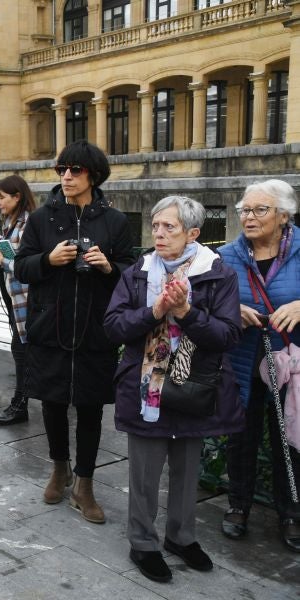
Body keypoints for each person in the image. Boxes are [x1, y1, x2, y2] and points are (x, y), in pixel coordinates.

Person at [104, 195, 243, 582]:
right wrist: (155, 312)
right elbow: (113, 326)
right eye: (155, 225)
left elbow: (228, 335)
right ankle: (143, 542)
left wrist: (186, 313)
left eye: (169, 227)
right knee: (144, 474)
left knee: (186, 469)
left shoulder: (217, 274)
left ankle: (181, 537)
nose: (159, 234)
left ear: (193, 234)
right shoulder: (138, 272)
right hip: (146, 385)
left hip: (194, 384)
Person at [14, 140, 134, 524]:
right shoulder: (41, 219)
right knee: (51, 402)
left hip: (94, 330)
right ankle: (59, 468)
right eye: (61, 169)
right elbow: (21, 267)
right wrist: (47, 260)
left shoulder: (115, 222)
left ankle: (84, 484)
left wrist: (108, 266)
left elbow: (131, 273)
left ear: (93, 176)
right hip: (51, 326)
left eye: (75, 170)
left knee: (90, 407)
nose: (66, 176)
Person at [217, 179, 300, 552]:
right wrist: (231, 309)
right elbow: (205, 300)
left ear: (283, 215)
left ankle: (291, 512)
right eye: (245, 210)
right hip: (243, 360)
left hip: (291, 364)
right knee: (241, 437)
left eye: (259, 210)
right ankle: (238, 505)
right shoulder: (227, 255)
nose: (249, 217)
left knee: (290, 439)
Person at [0, 175, 35, 426]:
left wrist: (2, 260)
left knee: (21, 349)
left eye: (1, 197)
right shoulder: (11, 222)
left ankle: (20, 405)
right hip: (14, 297)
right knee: (21, 349)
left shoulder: (29, 223)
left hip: (26, 299)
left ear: (17, 197)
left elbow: (28, 265)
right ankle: (20, 403)